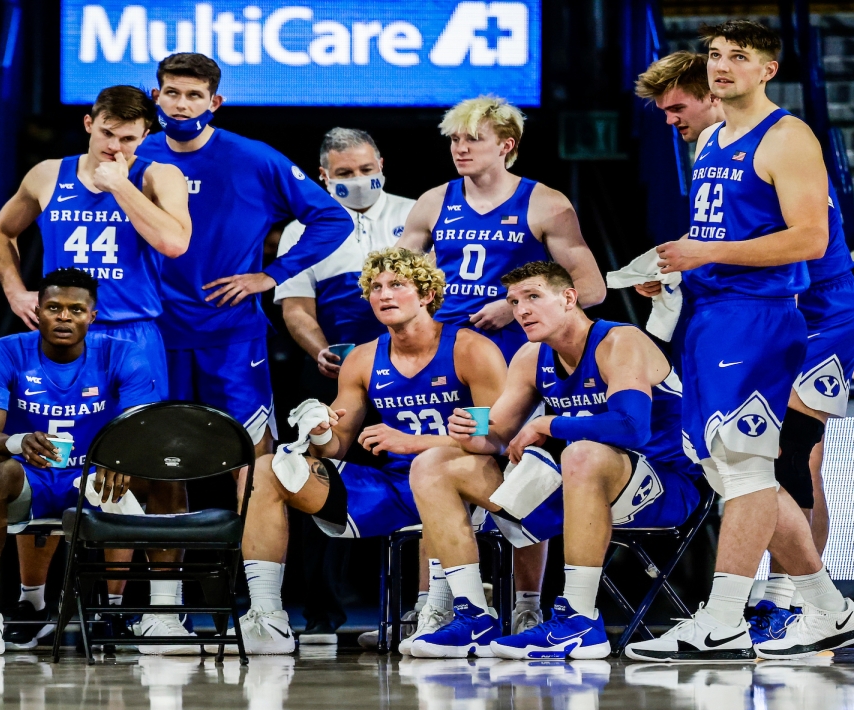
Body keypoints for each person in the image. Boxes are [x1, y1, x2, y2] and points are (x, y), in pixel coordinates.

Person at [624, 20, 854, 661]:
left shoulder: (786, 138)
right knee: (736, 466)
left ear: (765, 69)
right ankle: (827, 608)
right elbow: (721, 244)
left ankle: (743, 610)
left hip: (809, 312)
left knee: (773, 463)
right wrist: (678, 277)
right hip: (734, 311)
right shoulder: (712, 142)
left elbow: (809, 242)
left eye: (738, 56)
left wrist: (705, 255)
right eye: (715, 54)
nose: (723, 65)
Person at [0, 84, 191, 649]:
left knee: (140, 467)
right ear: (88, 124)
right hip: (61, 332)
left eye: (128, 138)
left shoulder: (156, 176)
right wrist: (14, 290)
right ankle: (34, 601)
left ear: (145, 136)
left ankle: (125, 608)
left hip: (132, 332)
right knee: (47, 464)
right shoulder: (48, 174)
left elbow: (175, 243)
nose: (115, 146)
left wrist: (121, 185)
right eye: (107, 134)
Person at [408, 261, 700, 659]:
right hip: (583, 489)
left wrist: (548, 422)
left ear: (568, 297)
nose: (521, 310)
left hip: (665, 487)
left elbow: (634, 429)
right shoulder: (530, 357)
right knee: (435, 463)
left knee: (580, 453)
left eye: (533, 296)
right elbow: (496, 435)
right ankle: (473, 615)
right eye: (513, 301)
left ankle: (580, 620)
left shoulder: (620, 341)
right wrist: (469, 427)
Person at [396, 95, 608, 633]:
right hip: (451, 361)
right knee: (441, 469)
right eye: (454, 139)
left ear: (506, 146)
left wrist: (514, 305)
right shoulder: (431, 202)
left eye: (472, 139)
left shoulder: (545, 203)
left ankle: (528, 602)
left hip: (519, 364)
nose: (459, 148)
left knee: (521, 472)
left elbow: (591, 287)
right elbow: (400, 279)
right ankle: (437, 602)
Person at [228, 248, 506, 654]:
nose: (384, 294)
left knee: (432, 469)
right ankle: (268, 618)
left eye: (397, 285)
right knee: (266, 467)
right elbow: (338, 446)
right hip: (392, 485)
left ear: (427, 294)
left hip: (466, 481)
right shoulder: (362, 358)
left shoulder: (470, 349)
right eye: (376, 287)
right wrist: (319, 430)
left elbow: (496, 439)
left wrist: (416, 444)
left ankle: (437, 612)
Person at [135, 52, 351, 454]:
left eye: (195, 95)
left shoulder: (254, 158)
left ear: (214, 103)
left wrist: (272, 275)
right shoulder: (134, 157)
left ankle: (255, 520)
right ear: (156, 96)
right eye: (172, 92)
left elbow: (332, 219)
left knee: (251, 451)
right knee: (159, 451)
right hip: (154, 329)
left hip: (231, 332)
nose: (182, 104)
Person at [0, 269, 162, 655]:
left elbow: (143, 428)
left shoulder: (122, 353)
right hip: (32, 474)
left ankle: (142, 611)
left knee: (160, 472)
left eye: (75, 309)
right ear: (37, 311)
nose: (64, 316)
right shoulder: (2, 351)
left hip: (94, 475)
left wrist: (120, 456)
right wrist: (18, 442)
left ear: (92, 316)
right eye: (53, 307)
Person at [273, 127, 416, 645]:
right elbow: (295, 307)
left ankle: (412, 612)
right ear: (323, 176)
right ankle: (321, 616)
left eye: (365, 170)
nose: (358, 181)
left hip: (410, 370)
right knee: (321, 482)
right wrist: (318, 350)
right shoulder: (302, 230)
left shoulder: (418, 213)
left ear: (381, 163)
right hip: (332, 368)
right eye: (345, 174)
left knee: (416, 477)